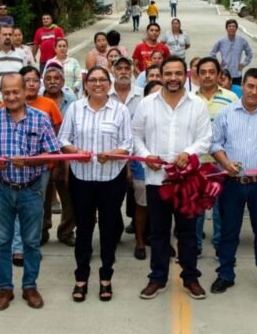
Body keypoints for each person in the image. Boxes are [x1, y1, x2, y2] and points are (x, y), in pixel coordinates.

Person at [0, 73, 61, 311]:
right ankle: (5, 288)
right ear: (2, 94)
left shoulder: (41, 119)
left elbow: (53, 154)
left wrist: (31, 162)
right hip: (1, 189)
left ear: (25, 91)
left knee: (31, 242)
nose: (11, 97)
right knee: (2, 242)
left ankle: (30, 286)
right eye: (6, 93)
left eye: (15, 92)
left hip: (31, 190)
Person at [132, 56, 212, 300]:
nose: (173, 78)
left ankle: (190, 278)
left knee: (187, 232)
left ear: (186, 75)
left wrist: (188, 154)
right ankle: (157, 278)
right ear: (161, 75)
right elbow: (135, 136)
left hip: (186, 182)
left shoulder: (197, 105)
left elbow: (205, 138)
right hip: (157, 180)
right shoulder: (147, 104)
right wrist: (146, 155)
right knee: (158, 232)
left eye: (178, 73)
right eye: (168, 74)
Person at [210, 68, 257, 299]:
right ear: (242, 85)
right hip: (232, 183)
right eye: (250, 86)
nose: (254, 91)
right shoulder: (226, 113)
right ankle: (225, 274)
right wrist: (225, 163)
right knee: (228, 231)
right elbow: (214, 145)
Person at [59, 66, 132, 302]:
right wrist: (75, 151)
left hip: (112, 178)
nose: (98, 84)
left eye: (102, 80)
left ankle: (106, 277)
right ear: (86, 83)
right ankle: (81, 278)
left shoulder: (120, 110)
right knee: (84, 229)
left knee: (109, 229)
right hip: (82, 178)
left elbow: (128, 144)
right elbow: (63, 139)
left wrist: (113, 153)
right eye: (93, 80)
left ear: (109, 84)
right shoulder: (75, 109)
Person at [8, 67, 64, 266]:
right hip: (12, 169)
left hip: (42, 168)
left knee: (35, 208)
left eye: (34, 80)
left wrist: (54, 163)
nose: (31, 84)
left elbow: (57, 137)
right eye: (27, 80)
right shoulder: (5, 104)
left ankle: (31, 245)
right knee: (15, 207)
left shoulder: (48, 105)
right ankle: (17, 248)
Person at [193, 57, 239, 255]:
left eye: (212, 72)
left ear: (219, 74)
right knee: (196, 210)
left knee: (222, 210)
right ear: (197, 75)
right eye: (203, 72)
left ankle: (221, 246)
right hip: (197, 164)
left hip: (223, 163)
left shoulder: (231, 98)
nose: (207, 76)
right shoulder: (190, 98)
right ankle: (194, 246)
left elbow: (238, 129)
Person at [108, 57, 146, 259]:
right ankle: (113, 233)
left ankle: (140, 241)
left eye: (126, 68)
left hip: (139, 156)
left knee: (141, 200)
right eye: (119, 68)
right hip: (111, 158)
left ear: (132, 71)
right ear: (113, 71)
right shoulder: (104, 94)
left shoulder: (142, 96)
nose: (123, 71)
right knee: (112, 201)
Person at [40, 63, 77, 247]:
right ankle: (42, 230)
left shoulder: (72, 101)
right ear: (43, 82)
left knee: (69, 195)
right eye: (48, 79)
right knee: (43, 195)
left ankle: (66, 231)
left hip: (66, 155)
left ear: (63, 81)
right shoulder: (38, 101)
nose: (52, 82)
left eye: (56, 79)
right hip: (43, 156)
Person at [210, 19, 253, 86]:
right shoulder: (221, 41)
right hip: (224, 73)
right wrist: (217, 65)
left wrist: (243, 64)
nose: (232, 28)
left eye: (233, 26)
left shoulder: (242, 41)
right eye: (230, 26)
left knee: (236, 92)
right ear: (226, 28)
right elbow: (212, 54)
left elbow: (249, 54)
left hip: (237, 73)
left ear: (236, 28)